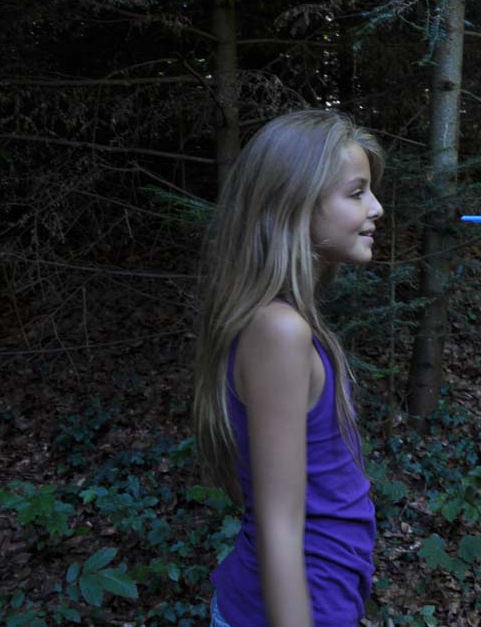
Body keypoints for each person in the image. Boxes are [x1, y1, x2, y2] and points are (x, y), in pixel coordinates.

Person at [192, 109, 384, 627]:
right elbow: (280, 528)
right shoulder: (279, 331)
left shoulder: (284, 321)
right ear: (294, 203)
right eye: (356, 192)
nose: (377, 207)